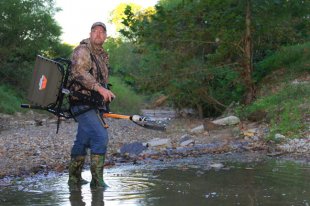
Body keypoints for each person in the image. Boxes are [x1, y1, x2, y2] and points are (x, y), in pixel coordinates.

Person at [67, 22, 115, 189]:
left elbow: (101, 79)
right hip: (80, 102)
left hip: (93, 104)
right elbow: (79, 72)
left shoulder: (102, 55)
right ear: (90, 33)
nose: (98, 34)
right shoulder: (83, 50)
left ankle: (74, 179)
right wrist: (99, 88)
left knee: (83, 139)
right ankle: (96, 182)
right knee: (100, 137)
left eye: (102, 32)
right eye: (95, 31)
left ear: (105, 36)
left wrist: (105, 94)